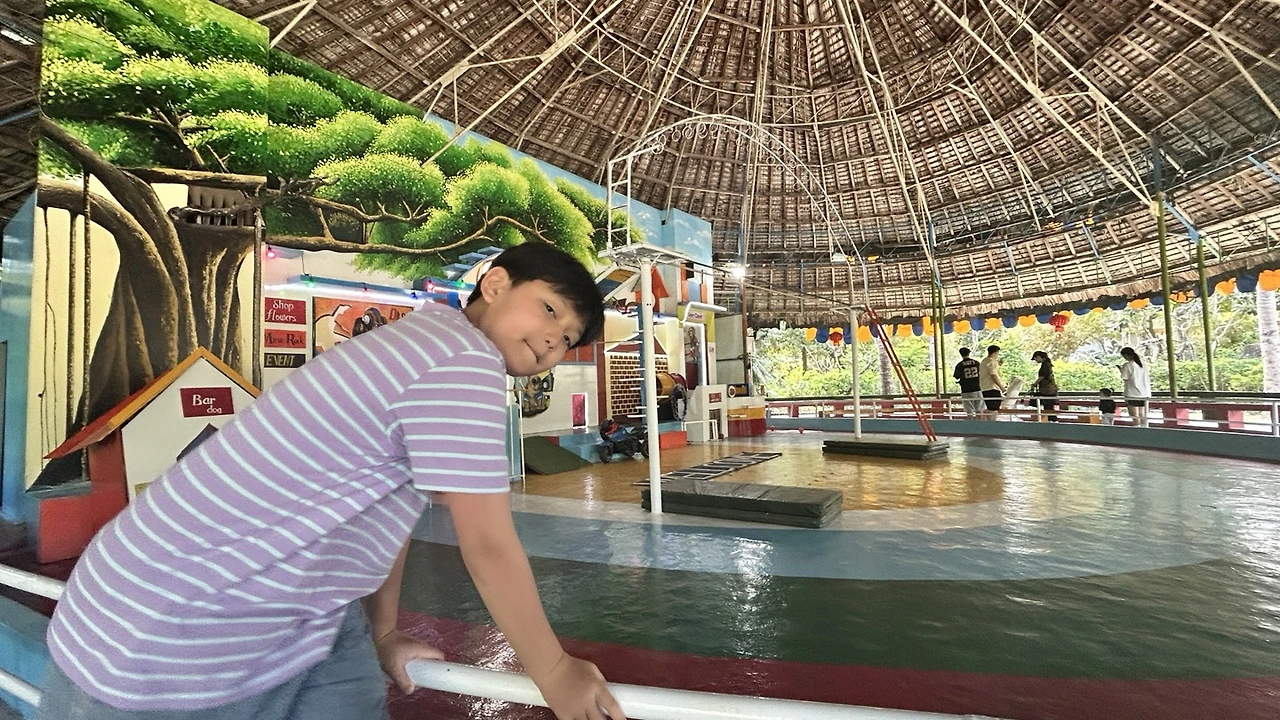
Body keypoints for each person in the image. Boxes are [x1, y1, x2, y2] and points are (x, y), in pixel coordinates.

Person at [37, 242, 626, 720]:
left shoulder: (421, 341)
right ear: (494, 284)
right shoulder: (463, 359)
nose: (554, 340)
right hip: (184, 631)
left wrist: (383, 632)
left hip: (250, 611)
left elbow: (386, 506)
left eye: (569, 339)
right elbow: (488, 541)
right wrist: (553, 670)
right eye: (550, 310)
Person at [1119, 346, 1151, 428]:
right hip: (1144, 392)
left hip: (1132, 393)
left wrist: (1121, 370)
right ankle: (1144, 429)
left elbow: (1125, 377)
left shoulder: (1127, 365)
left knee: (1134, 415)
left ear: (1126, 355)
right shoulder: (1143, 365)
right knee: (1142, 414)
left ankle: (1137, 429)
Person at [953, 347, 983, 418]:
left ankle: (971, 423)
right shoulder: (976, 363)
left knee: (969, 411)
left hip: (966, 389)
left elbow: (956, 376)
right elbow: (982, 373)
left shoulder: (959, 365)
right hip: (977, 388)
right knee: (979, 409)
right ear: (969, 353)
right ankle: (980, 422)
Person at [1030, 351, 1059, 422]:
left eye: (1036, 358)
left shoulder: (1045, 365)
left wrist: (1034, 384)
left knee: (1048, 407)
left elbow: (1042, 376)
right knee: (1048, 407)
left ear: (1039, 357)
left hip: (1047, 391)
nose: (1036, 360)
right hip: (1049, 390)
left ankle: (1053, 421)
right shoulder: (1047, 364)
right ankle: (1052, 421)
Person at [979, 345, 1005, 419]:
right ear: (995, 353)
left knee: (989, 408)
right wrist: (1002, 387)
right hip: (993, 388)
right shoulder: (992, 362)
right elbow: (993, 375)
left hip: (984, 388)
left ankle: (990, 423)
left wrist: (998, 365)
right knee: (994, 409)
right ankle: (993, 423)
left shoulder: (984, 361)